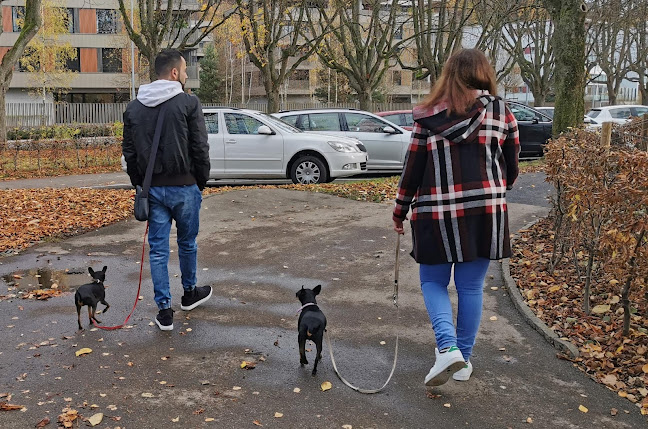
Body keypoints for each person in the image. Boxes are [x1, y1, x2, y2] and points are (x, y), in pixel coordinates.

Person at [392, 48, 519, 386]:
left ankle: (447, 348)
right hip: (486, 212)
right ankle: (462, 361)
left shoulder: (427, 117)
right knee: (471, 287)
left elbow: (412, 170)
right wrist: (490, 190)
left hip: (435, 213)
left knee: (433, 282)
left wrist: (399, 210)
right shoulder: (502, 112)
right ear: (483, 74)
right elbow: (512, 167)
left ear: (448, 75)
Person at [122, 49, 212, 331]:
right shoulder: (188, 103)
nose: (186, 75)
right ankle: (189, 294)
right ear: (174, 73)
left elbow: (130, 153)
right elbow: (199, 146)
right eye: (185, 70)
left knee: (158, 251)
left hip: (153, 190)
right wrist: (200, 180)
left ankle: (164, 311)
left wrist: (141, 184)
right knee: (187, 243)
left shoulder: (134, 108)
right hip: (185, 187)